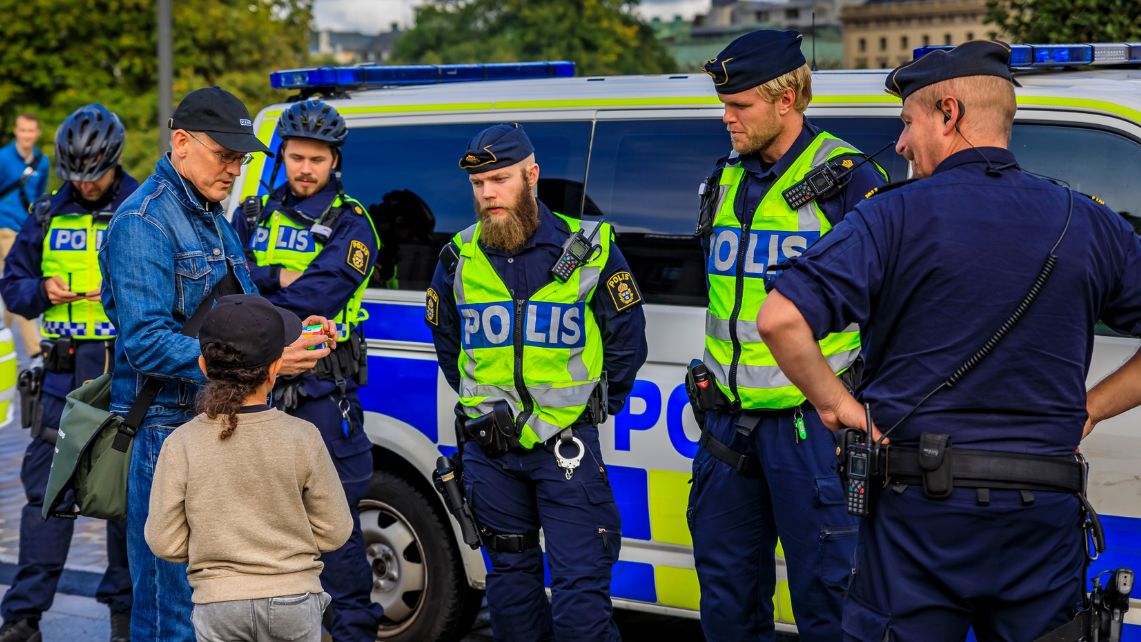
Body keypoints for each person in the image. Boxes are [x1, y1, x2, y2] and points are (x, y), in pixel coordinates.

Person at [758, 40, 1141, 640]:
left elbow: (779, 317)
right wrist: (1088, 410)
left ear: (950, 113)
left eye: (908, 123)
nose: (903, 143)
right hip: (1042, 515)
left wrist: (840, 408)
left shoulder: (891, 216)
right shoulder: (1087, 221)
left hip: (919, 514)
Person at [99, 86, 333, 641]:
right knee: (171, 614)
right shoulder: (144, 222)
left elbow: (236, 309)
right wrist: (258, 359)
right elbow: (146, 344)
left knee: (210, 609)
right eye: (224, 154)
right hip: (164, 429)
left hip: (212, 422)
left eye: (242, 157)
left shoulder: (208, 212)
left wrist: (290, 337)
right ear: (181, 143)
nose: (234, 168)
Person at [685, 29, 886, 642]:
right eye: (724, 104)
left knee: (832, 603)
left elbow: (890, 308)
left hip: (813, 430)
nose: (727, 118)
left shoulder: (850, 179)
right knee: (727, 601)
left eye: (739, 105)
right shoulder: (724, 177)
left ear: (787, 99)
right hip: (726, 428)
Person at [426, 123, 648, 641]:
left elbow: (627, 338)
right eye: (478, 185)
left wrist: (594, 405)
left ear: (532, 176)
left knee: (579, 598)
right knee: (511, 593)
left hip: (566, 449)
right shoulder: (458, 257)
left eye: (499, 180)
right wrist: (485, 408)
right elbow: (447, 342)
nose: (488, 195)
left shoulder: (587, 248)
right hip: (491, 452)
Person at [232, 98, 383, 640]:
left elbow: (323, 292)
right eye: (296, 157)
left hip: (323, 394)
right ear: (284, 156)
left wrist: (262, 283)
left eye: (317, 159)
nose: (305, 169)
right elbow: (228, 287)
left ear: (334, 162)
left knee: (334, 532)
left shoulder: (354, 223)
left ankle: (354, 634)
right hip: (256, 394)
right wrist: (280, 276)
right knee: (256, 531)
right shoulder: (250, 215)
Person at [0, 104, 134, 642]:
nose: (88, 184)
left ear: (114, 162)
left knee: (126, 501)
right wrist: (42, 292)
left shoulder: (142, 208)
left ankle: (125, 620)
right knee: (45, 501)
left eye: (96, 173)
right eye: (77, 174)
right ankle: (23, 617)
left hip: (124, 372)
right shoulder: (47, 211)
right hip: (62, 376)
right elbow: (14, 287)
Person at [145, 294, 352, 642]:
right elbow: (336, 530)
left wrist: (212, 548)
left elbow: (164, 541)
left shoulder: (181, 443)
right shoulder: (303, 437)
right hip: (295, 598)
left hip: (218, 603)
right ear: (275, 369)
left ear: (203, 366)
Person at [0, 113, 49, 360]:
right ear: (15, 132)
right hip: (5, 228)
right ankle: (35, 349)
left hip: (26, 229)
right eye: (22, 130)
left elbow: (39, 198)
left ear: (37, 133)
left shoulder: (42, 161)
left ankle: (6, 340)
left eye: (31, 130)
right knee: (22, 282)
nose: (26, 135)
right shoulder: (3, 158)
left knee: (9, 284)